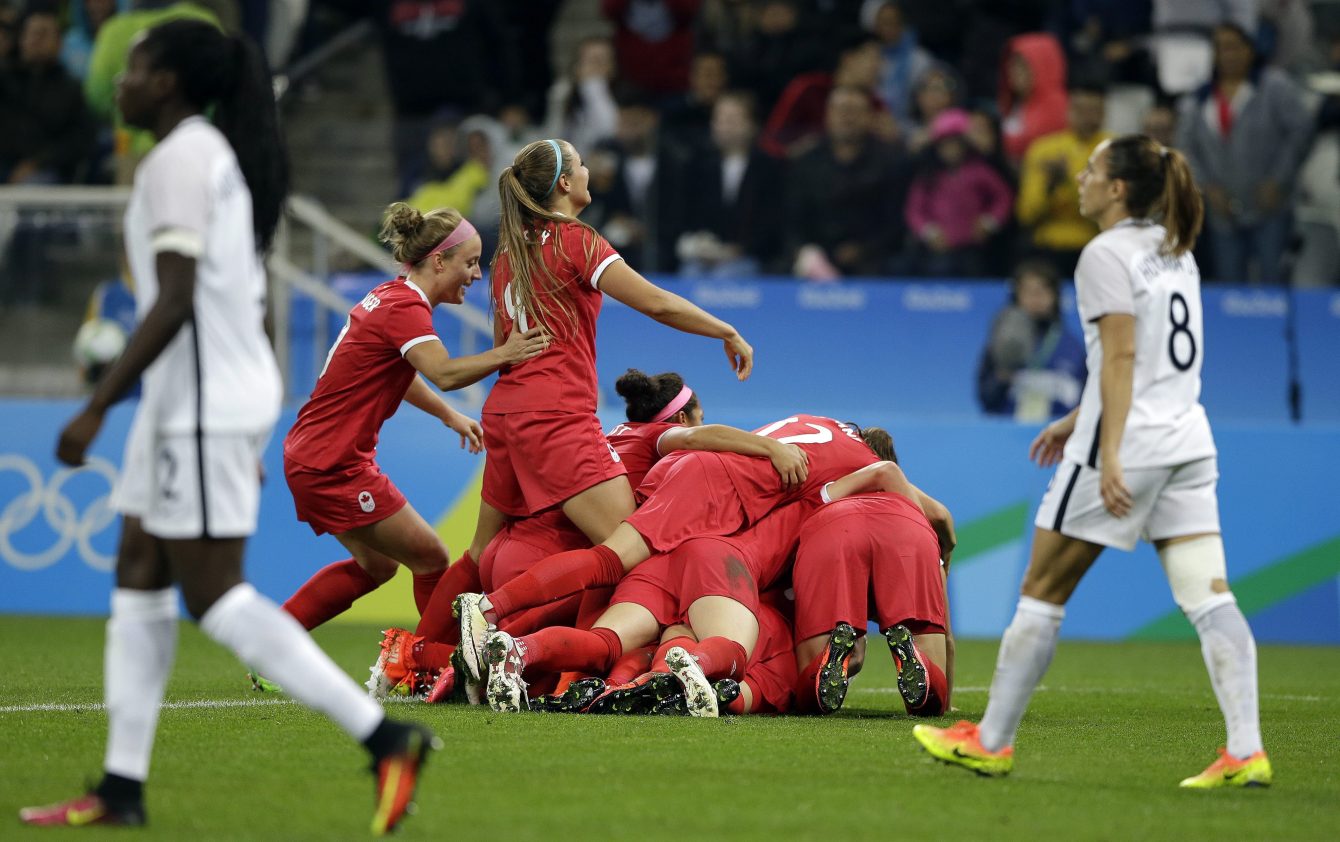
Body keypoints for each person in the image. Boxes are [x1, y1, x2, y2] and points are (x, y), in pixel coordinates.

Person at [19, 21, 435, 834]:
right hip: (192, 402)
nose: (122, 83)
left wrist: (99, 403)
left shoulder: (182, 159)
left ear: (170, 82)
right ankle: (121, 789)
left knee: (213, 596)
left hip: (201, 407)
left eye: (136, 68)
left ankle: (387, 737)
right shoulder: (206, 157)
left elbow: (174, 299)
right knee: (138, 573)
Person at [912, 134, 1272, 790]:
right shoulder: (1175, 250)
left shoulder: (1105, 254)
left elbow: (1127, 356)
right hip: (1188, 439)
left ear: (1117, 189)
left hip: (1130, 443)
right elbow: (1147, 362)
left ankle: (991, 742)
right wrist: (1076, 417)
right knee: (1208, 594)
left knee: (1042, 591)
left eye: (1093, 170)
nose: (1080, 178)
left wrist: (1107, 452)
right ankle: (1246, 750)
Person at [469, 136, 753, 619]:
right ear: (563, 183)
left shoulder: (510, 255)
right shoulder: (576, 239)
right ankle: (527, 643)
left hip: (505, 411)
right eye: (580, 165)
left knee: (481, 552)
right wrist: (724, 329)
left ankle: (421, 655)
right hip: (556, 416)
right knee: (629, 553)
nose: (588, 170)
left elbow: (503, 349)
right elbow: (655, 302)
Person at [276, 203, 549, 637]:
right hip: (332, 464)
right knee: (431, 558)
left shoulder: (391, 296)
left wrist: (448, 417)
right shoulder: (406, 307)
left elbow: (395, 374)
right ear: (439, 260)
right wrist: (507, 353)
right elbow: (442, 372)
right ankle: (427, 661)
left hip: (315, 454)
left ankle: (273, 641)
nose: (476, 275)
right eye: (471, 262)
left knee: (378, 566)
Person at [1176, 22, 1312, 284]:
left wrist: (1278, 180)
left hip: (1270, 204)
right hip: (1222, 208)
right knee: (1229, 284)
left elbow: (1301, 131)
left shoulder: (1274, 87)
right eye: (1220, 48)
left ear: (1249, 50)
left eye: (1233, 47)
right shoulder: (1201, 96)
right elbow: (1185, 147)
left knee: (1272, 278)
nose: (1227, 54)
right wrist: (1206, 187)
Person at [903, 108, 1013, 277]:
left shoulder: (979, 171)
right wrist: (929, 232)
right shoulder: (928, 175)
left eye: (956, 144)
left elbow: (1003, 197)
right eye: (945, 145)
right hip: (939, 247)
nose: (951, 150)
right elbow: (915, 209)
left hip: (973, 246)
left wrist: (989, 222)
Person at [1016, 84, 1111, 277]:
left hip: (1098, 245)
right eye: (1079, 109)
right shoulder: (1044, 150)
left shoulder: (1114, 150)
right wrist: (1049, 187)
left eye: (1093, 110)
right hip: (1049, 247)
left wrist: (1068, 182)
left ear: (1103, 113)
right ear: (1069, 111)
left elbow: (1109, 214)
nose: (1086, 116)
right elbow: (1026, 214)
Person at [976, 260, 1087, 420]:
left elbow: (1086, 405)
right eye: (1028, 291)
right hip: (1006, 435)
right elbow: (986, 400)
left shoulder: (1073, 347)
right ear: (1016, 296)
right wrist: (1003, 377)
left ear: (1055, 296)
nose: (1035, 298)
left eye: (1042, 290)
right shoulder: (1000, 343)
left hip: (1059, 437)